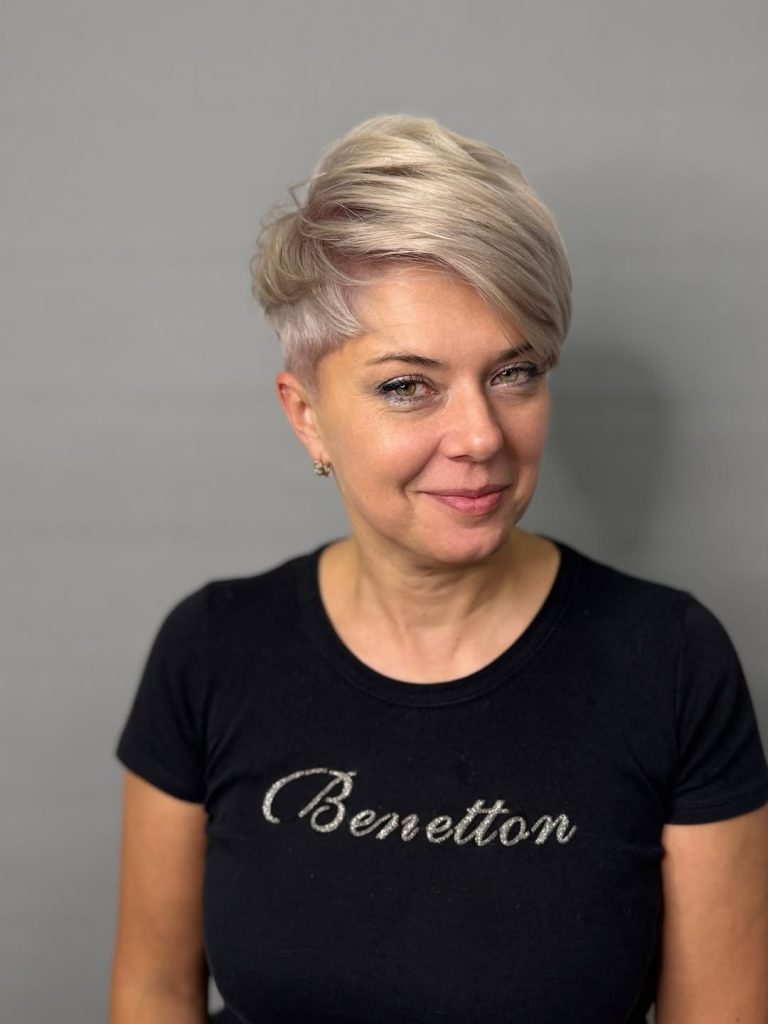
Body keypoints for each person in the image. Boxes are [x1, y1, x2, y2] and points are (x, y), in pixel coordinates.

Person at [109, 114, 768, 1024]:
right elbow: (152, 992)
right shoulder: (214, 650)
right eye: (407, 386)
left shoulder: (671, 662)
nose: (481, 437)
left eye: (514, 372)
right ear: (306, 415)